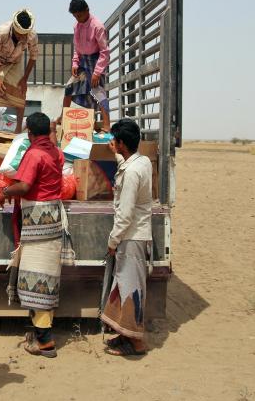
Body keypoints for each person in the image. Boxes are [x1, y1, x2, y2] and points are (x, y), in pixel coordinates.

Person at [0, 112, 65, 357]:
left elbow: (25, 186)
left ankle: (45, 341)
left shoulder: (34, 154)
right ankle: (40, 333)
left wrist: (6, 191)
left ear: (29, 134)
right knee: (47, 278)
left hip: (37, 221)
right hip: (53, 219)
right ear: (48, 132)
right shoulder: (55, 153)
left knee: (36, 280)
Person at [100, 119, 152, 356]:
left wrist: (112, 241)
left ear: (121, 143)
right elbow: (128, 168)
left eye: (116, 141)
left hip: (130, 237)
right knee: (123, 285)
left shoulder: (131, 173)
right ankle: (124, 337)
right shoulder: (142, 162)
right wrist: (117, 156)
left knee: (130, 289)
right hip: (134, 235)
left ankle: (136, 343)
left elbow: (126, 213)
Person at [64, 0, 112, 131]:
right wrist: (75, 62)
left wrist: (97, 73)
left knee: (98, 92)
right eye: (74, 16)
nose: (77, 18)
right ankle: (64, 119)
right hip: (82, 62)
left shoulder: (98, 26)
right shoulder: (76, 26)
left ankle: (107, 125)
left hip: (96, 61)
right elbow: (77, 47)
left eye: (79, 15)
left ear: (87, 10)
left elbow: (105, 51)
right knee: (69, 87)